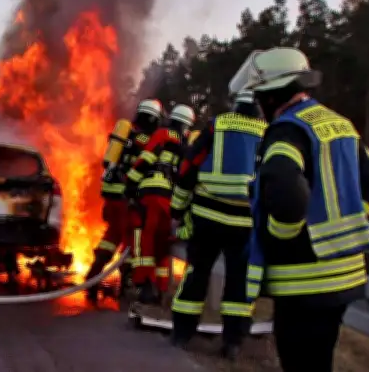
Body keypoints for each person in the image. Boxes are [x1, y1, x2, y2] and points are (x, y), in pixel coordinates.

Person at [241, 47, 369, 372]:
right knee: (320, 361)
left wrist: (283, 236)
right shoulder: (339, 123)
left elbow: (285, 190)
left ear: (273, 95)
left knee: (300, 362)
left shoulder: (286, 131)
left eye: (260, 96)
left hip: (303, 281)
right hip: (344, 277)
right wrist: (343, 223)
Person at [168, 84, 267, 359]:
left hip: (207, 216)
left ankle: (181, 335)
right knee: (238, 281)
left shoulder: (216, 126)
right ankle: (232, 343)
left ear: (236, 104)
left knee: (197, 273)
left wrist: (177, 208)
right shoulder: (266, 133)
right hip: (243, 222)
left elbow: (189, 166)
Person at [86, 99, 163, 303]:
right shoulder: (148, 140)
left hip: (111, 196)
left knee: (111, 238)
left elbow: (110, 162)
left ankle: (93, 278)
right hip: (127, 198)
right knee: (131, 242)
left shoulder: (126, 132)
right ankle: (128, 287)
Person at [125, 104, 196, 305]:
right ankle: (162, 287)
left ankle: (145, 284)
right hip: (170, 198)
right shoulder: (185, 144)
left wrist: (130, 183)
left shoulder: (163, 134)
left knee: (145, 238)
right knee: (162, 243)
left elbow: (146, 158)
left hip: (151, 192)